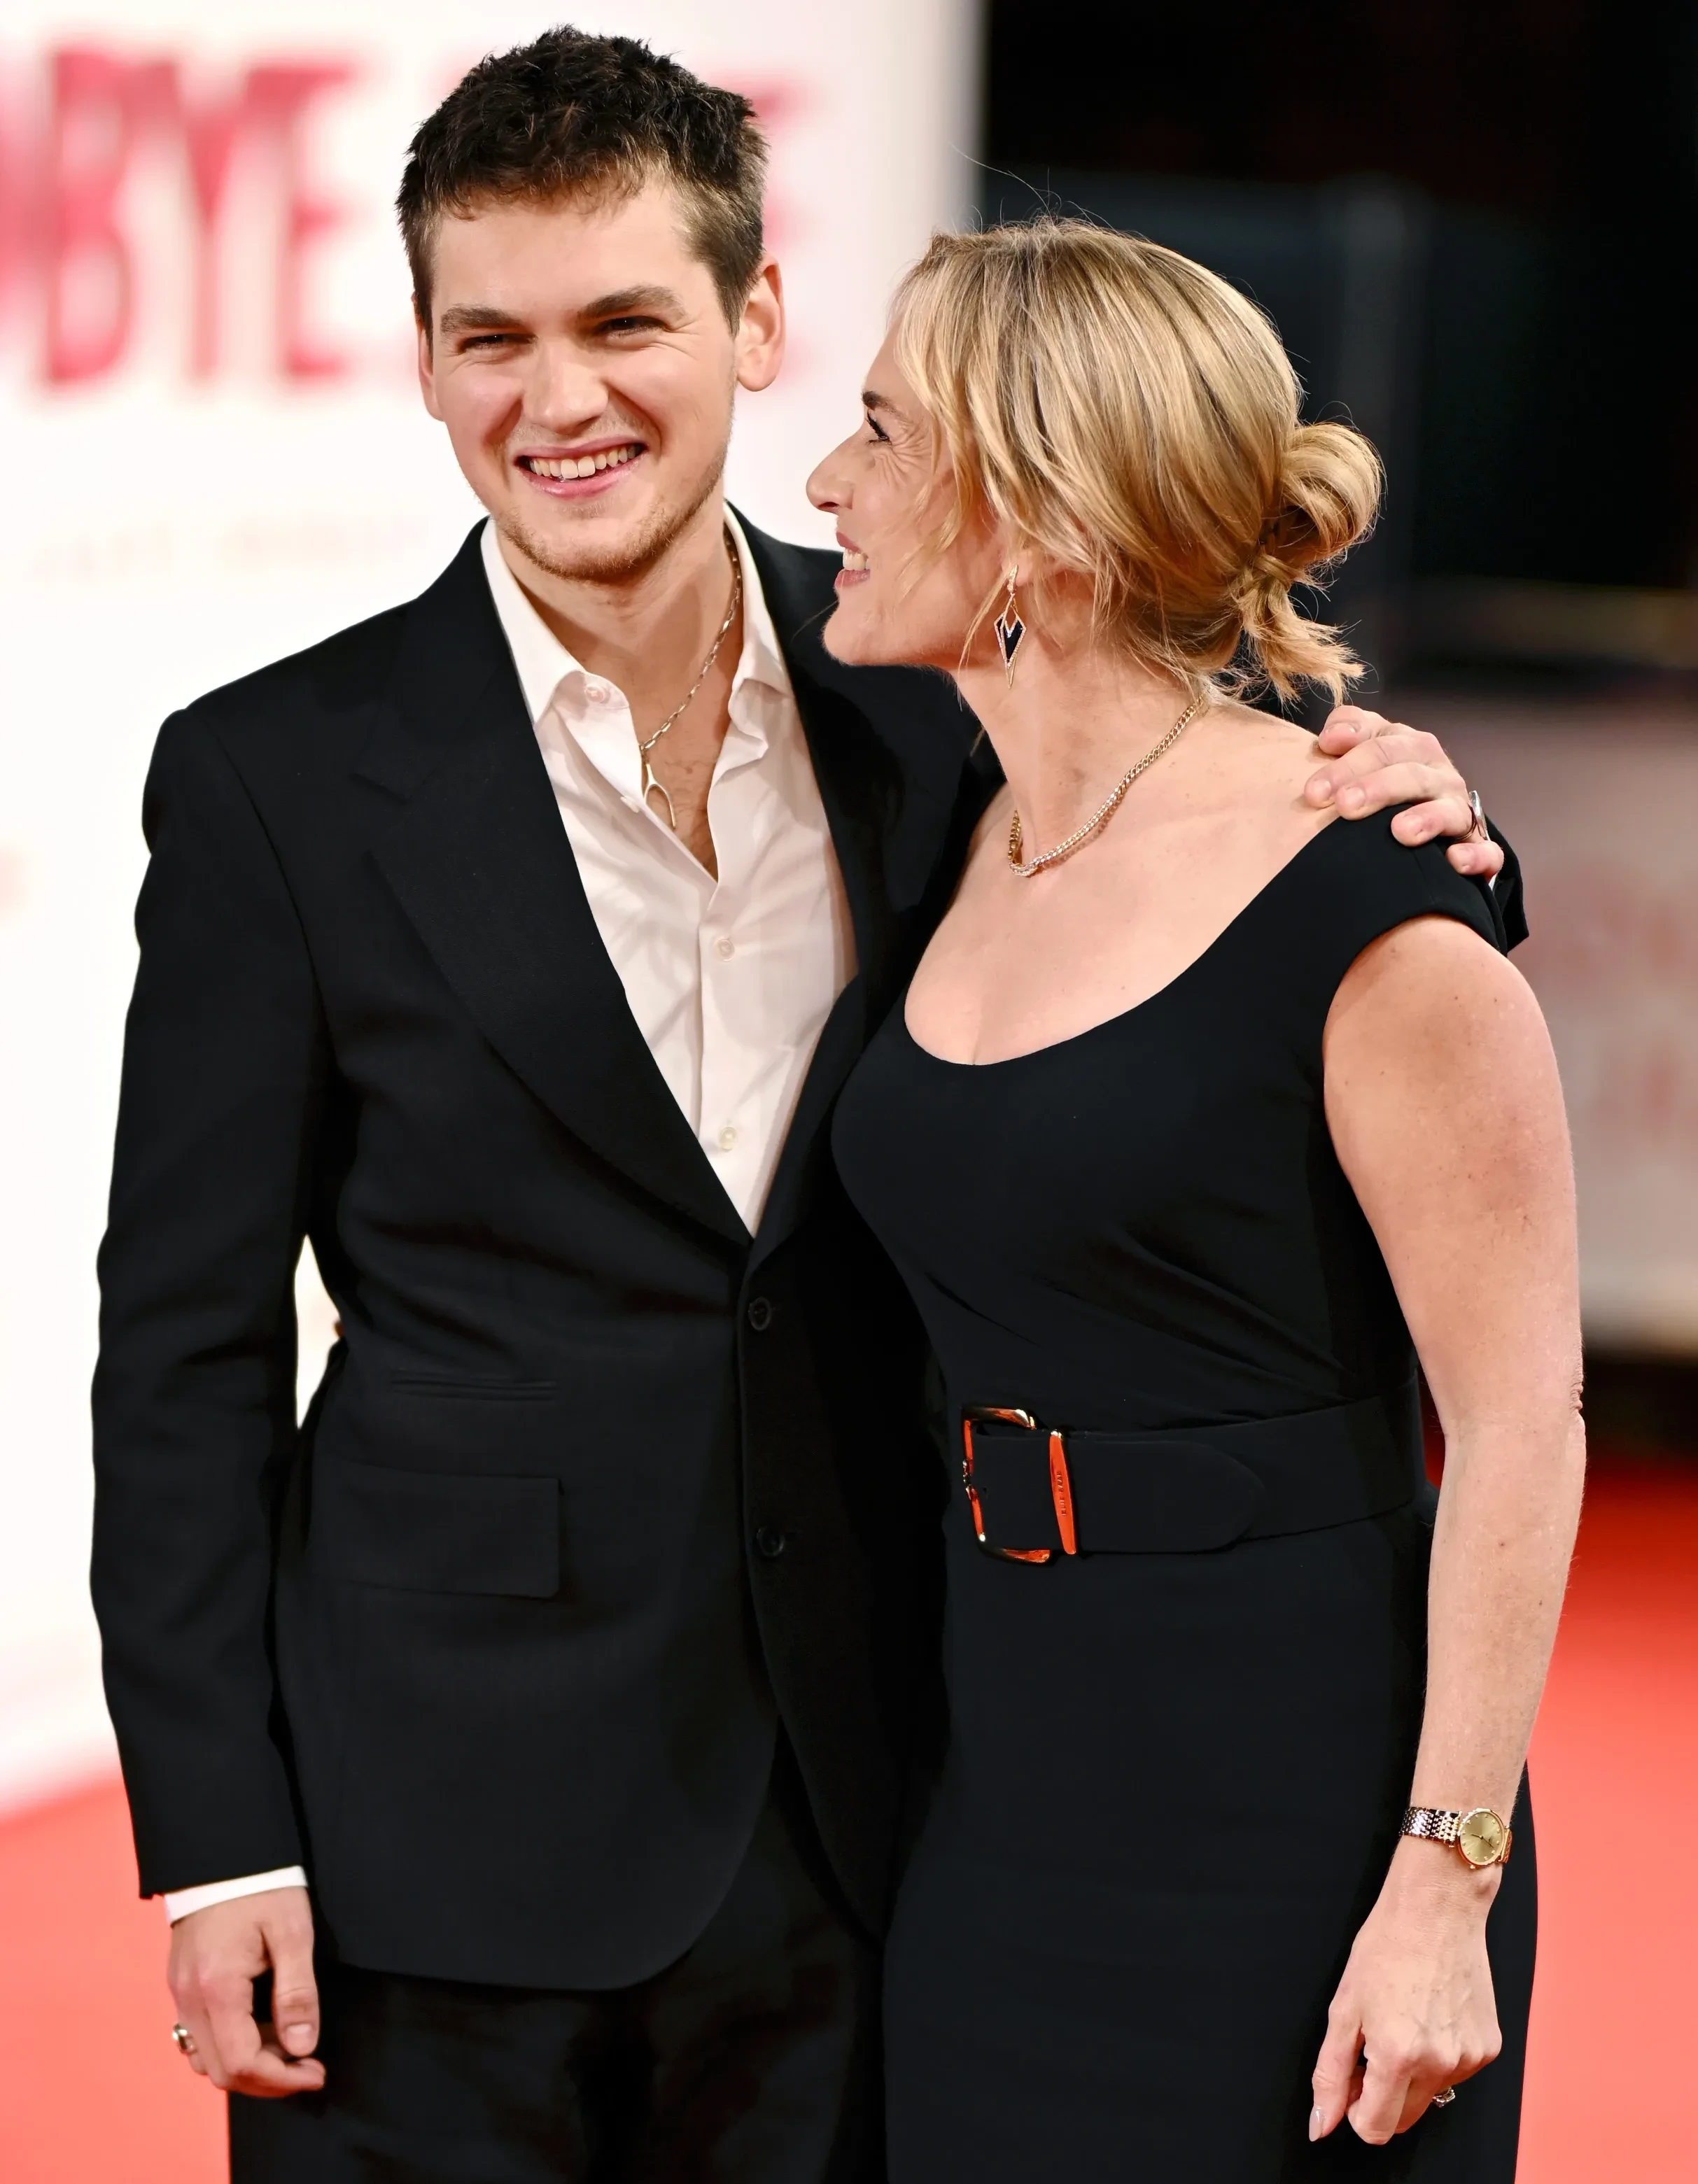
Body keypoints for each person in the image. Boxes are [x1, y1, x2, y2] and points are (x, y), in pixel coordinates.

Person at [92, 30, 1515, 2184]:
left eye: (623, 323)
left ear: (754, 321)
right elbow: (182, 1347)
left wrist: (1436, 820)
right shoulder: (272, 777)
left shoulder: (931, 705)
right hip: (425, 1851)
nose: (559, 400)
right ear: (425, 360)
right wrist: (218, 1841)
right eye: (492, 338)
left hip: (871, 1820)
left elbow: (1222, 847)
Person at [822, 221, 1583, 2182]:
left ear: (1034, 523)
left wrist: (1445, 1884)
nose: (828, 484)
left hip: (1296, 1822)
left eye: (882, 435)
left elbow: (1520, 1424)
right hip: (998, 1790)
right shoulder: (949, 814)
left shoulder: (1370, 896)